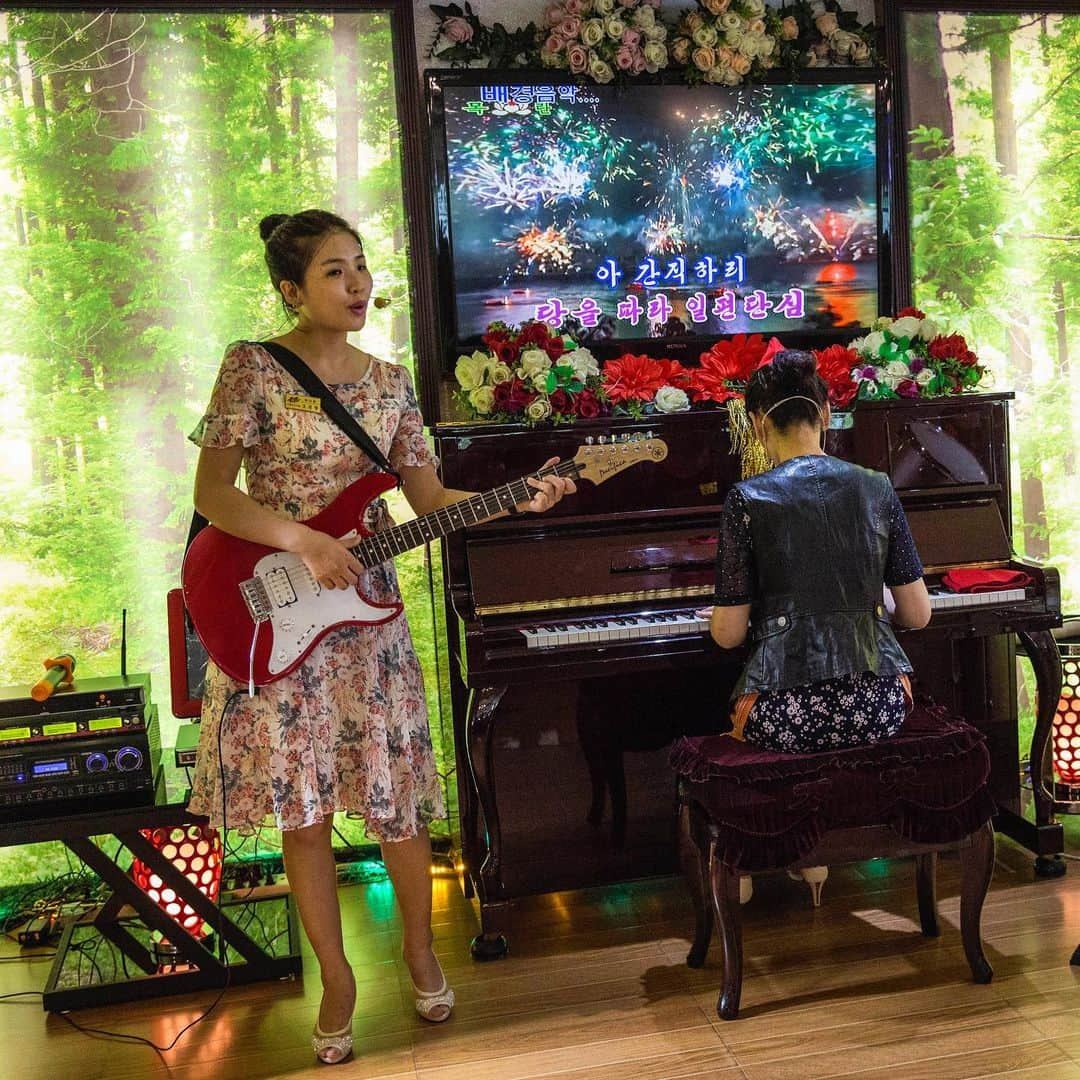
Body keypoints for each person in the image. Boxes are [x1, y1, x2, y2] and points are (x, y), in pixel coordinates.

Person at [187, 209, 575, 1065]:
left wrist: (519, 494)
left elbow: (429, 503)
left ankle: (421, 949)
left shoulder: (393, 383)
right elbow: (215, 496)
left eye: (360, 266)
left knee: (395, 798)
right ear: (290, 289)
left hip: (369, 624)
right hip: (279, 613)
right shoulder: (251, 368)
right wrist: (304, 539)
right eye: (333, 271)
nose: (357, 283)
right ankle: (338, 979)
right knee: (306, 812)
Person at [705, 350, 931, 902]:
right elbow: (918, 615)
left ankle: (762, 856)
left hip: (787, 715)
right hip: (879, 705)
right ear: (826, 414)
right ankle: (812, 862)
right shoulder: (877, 487)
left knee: (731, 709)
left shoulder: (747, 498)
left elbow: (728, 635)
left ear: (757, 424)